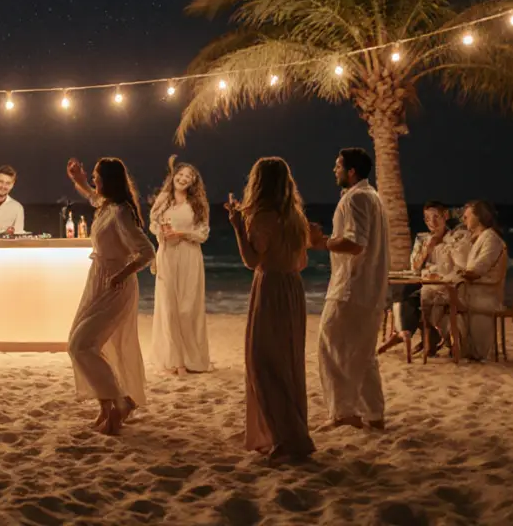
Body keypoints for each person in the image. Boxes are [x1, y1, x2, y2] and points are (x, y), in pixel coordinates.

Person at [227, 157, 316, 463]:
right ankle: (290, 432)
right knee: (287, 365)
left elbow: (252, 261)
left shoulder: (262, 217)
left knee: (261, 364)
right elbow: (302, 262)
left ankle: (288, 438)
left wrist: (238, 227)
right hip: (293, 290)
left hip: (270, 290)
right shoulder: (294, 217)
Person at [65, 156, 155, 436]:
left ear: (109, 180)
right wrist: (78, 182)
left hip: (115, 285)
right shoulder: (107, 206)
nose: (94, 181)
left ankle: (120, 403)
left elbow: (147, 252)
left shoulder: (121, 212)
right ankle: (108, 406)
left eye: (96, 176)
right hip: (98, 280)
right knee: (78, 343)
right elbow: (94, 197)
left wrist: (121, 274)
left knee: (83, 344)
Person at [309, 147, 391, 430]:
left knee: (330, 345)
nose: (334, 170)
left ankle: (344, 413)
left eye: (338, 165)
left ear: (351, 171)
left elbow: (356, 244)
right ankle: (374, 414)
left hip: (351, 288)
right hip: (371, 288)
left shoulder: (355, 198)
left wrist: (321, 243)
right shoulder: (374, 197)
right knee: (363, 352)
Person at [379, 201, 472, 358]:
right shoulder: (422, 238)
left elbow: (455, 266)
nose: (432, 222)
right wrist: (427, 249)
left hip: (444, 287)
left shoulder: (455, 238)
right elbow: (415, 266)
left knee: (409, 295)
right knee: (403, 291)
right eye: (428, 219)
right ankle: (411, 333)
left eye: (436, 217)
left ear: (445, 216)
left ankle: (404, 333)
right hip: (424, 284)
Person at [421, 201, 506, 361]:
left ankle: (449, 340)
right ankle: (455, 339)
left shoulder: (491, 239)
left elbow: (476, 270)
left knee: (429, 296)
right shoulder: (480, 238)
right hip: (470, 289)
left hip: (481, 293)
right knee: (431, 295)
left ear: (479, 216)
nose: (463, 218)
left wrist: (459, 273)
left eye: (467, 215)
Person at [148, 156, 211, 374]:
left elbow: (203, 234)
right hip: (167, 254)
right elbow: (153, 222)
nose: (183, 179)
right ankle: (176, 361)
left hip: (190, 256)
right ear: (174, 177)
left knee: (187, 309)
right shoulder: (164, 198)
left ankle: (191, 358)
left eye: (189, 177)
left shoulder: (198, 204)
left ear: (193, 183)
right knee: (169, 308)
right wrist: (162, 233)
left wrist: (182, 233)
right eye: (181, 174)